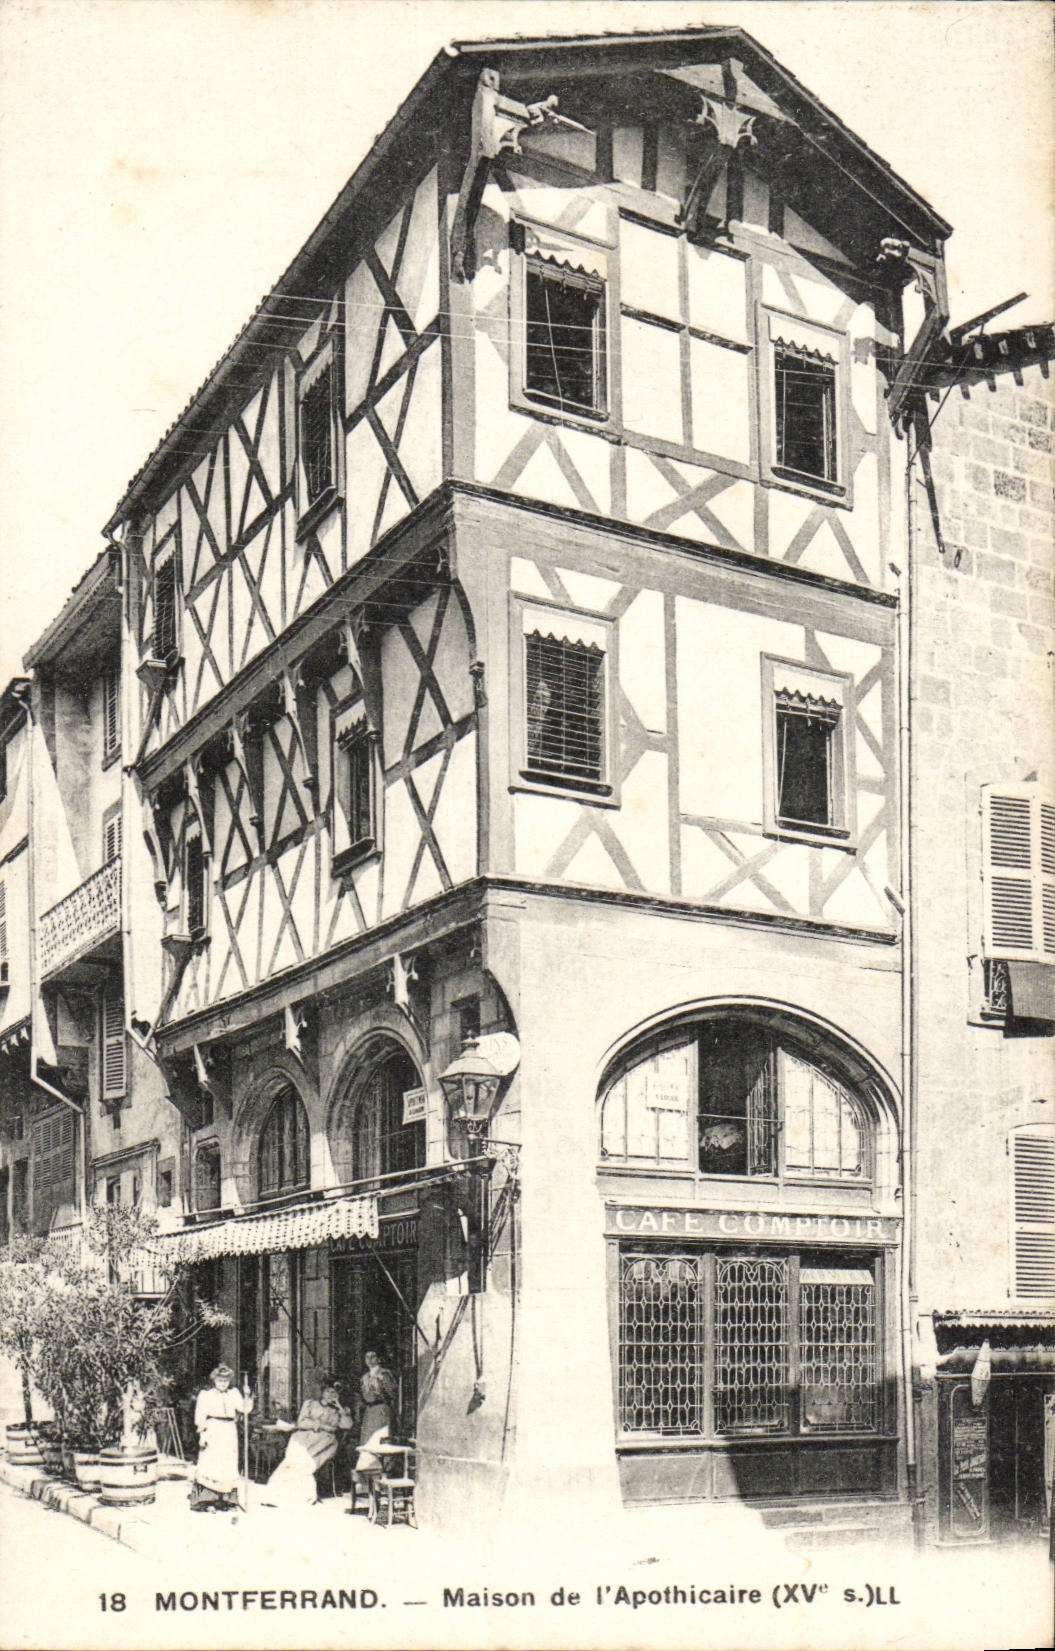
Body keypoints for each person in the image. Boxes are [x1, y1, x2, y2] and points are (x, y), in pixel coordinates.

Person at [259, 1375, 353, 1508]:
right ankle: (277, 1494)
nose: (330, 1395)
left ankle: (301, 1495)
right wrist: (321, 1426)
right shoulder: (309, 1404)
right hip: (303, 1437)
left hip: (325, 1441)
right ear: (322, 1392)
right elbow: (302, 1422)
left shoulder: (340, 1411)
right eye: (327, 1391)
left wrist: (340, 1408)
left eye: (334, 1392)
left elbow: (347, 1426)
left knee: (306, 1463)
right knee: (292, 1461)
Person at [190, 1365, 253, 1511]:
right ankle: (207, 1501)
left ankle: (226, 1501)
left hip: (229, 1431)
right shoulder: (206, 1395)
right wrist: (202, 1435)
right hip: (213, 1430)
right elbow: (200, 1416)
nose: (223, 1383)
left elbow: (245, 1409)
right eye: (220, 1380)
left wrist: (247, 1395)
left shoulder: (234, 1393)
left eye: (226, 1380)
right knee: (211, 1465)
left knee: (227, 1465)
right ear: (214, 1380)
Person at [352, 1349, 398, 1505]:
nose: (370, 1360)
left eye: (373, 1356)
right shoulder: (364, 1377)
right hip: (369, 1412)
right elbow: (360, 1395)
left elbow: (393, 1393)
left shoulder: (385, 1374)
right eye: (367, 1356)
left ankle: (384, 1482)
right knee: (367, 1443)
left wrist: (382, 1383)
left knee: (381, 1442)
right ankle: (367, 1484)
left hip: (381, 1410)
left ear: (379, 1359)